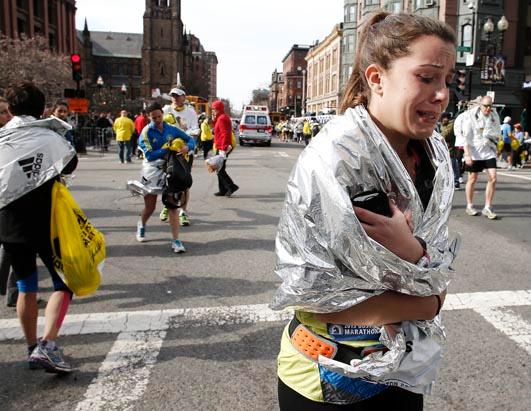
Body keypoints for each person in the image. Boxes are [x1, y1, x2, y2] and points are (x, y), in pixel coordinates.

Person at [274, 12, 457, 409]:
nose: (441, 94)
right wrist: (428, 301)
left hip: (404, 373)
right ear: (377, 79)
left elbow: (438, 262)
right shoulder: (334, 159)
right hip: (328, 377)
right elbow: (314, 297)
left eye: (446, 81)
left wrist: (412, 254)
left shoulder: (435, 154)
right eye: (426, 78)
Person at [0, 82, 78, 373]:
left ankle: (32, 346)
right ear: (41, 107)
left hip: (9, 221)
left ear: (10, 108)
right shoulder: (48, 135)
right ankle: (47, 345)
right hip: (46, 220)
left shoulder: (2, 136)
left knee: (25, 286)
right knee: (63, 284)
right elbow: (70, 164)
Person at [136, 102, 195, 253]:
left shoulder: (171, 128)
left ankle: (176, 241)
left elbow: (190, 139)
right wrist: (166, 149)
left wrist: (187, 147)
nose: (157, 119)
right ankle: (141, 224)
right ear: (148, 117)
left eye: (159, 116)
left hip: (170, 169)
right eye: (153, 117)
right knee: (150, 207)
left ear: (162, 114)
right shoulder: (146, 132)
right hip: (151, 170)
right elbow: (149, 155)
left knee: (172, 206)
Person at [162, 88, 199, 226]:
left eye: (178, 96)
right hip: (169, 151)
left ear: (184, 97)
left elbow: (195, 130)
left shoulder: (190, 112)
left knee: (184, 183)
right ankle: (167, 206)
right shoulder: (165, 110)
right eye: (173, 96)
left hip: (185, 152)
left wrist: (187, 145)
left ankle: (183, 212)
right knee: (167, 179)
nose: (175, 99)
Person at [462, 95, 500, 220]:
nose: (488, 108)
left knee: (493, 178)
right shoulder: (471, 116)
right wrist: (467, 154)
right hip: (474, 151)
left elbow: (497, 132)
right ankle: (469, 205)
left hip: (489, 151)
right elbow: (466, 137)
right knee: (472, 178)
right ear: (480, 105)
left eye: (490, 106)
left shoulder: (494, 116)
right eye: (485, 106)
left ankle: (488, 207)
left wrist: (497, 147)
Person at [0, 97, 18, 307]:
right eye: (4, 112)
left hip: (10, 199)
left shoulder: (12, 136)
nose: (8, 115)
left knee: (11, 247)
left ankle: (12, 291)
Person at [212, 100, 239, 197]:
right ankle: (222, 189)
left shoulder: (222, 118)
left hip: (222, 147)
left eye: (214, 109)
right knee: (220, 168)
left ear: (218, 109)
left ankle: (231, 187)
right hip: (221, 146)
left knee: (219, 169)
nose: (213, 111)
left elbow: (225, 133)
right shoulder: (221, 117)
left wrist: (223, 148)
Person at [440, 113, 460, 188]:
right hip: (446, 148)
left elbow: (445, 135)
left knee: (452, 165)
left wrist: (439, 135)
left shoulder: (451, 125)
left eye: (444, 118)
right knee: (448, 166)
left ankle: (456, 181)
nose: (443, 120)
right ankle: (451, 181)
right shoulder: (444, 125)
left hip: (451, 149)